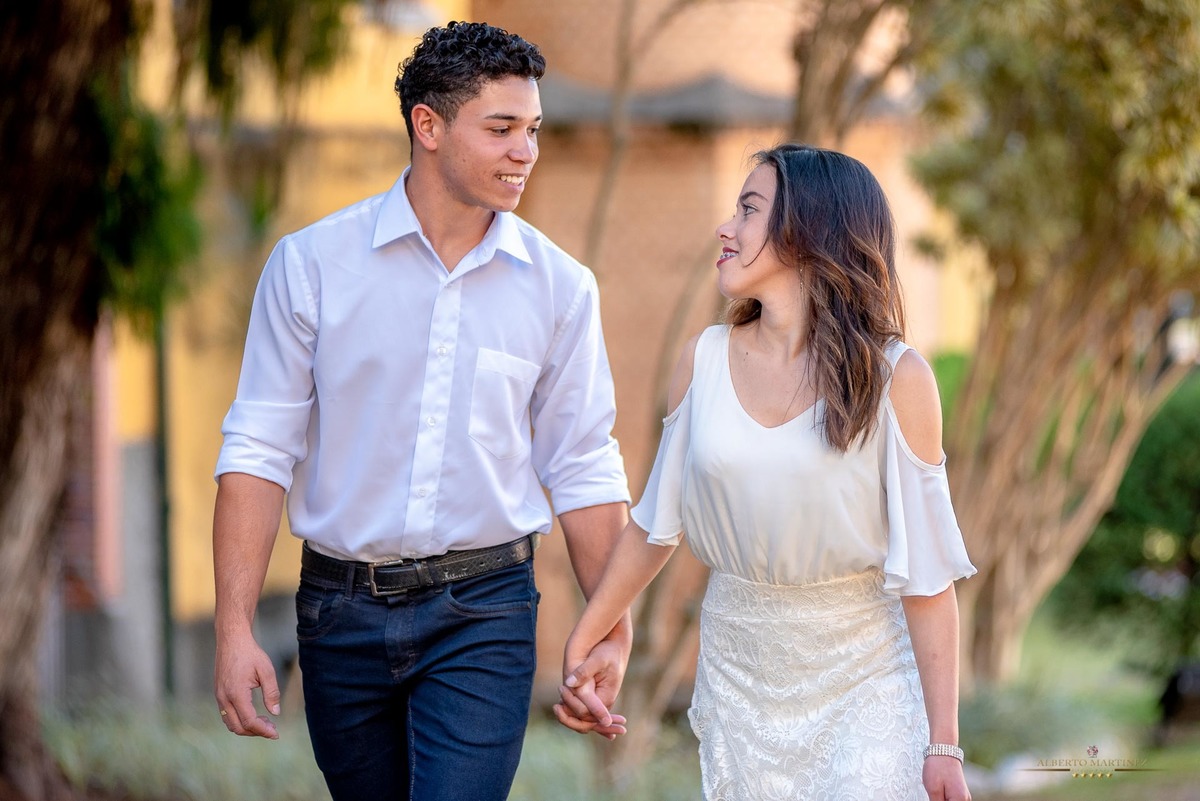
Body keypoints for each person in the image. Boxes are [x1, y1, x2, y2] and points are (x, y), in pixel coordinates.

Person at [211, 21, 631, 801]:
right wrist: (234, 628)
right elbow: (258, 449)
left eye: (533, 129)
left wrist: (607, 623)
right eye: (501, 128)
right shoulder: (311, 268)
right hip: (339, 611)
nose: (525, 151)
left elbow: (580, 460)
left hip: (485, 609)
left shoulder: (560, 287)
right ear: (427, 126)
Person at [558, 144, 977, 801]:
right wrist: (585, 641)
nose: (726, 228)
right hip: (738, 676)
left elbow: (928, 577)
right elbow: (654, 525)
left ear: (811, 229)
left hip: (864, 678)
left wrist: (944, 743)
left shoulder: (899, 378)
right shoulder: (704, 358)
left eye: (749, 210)